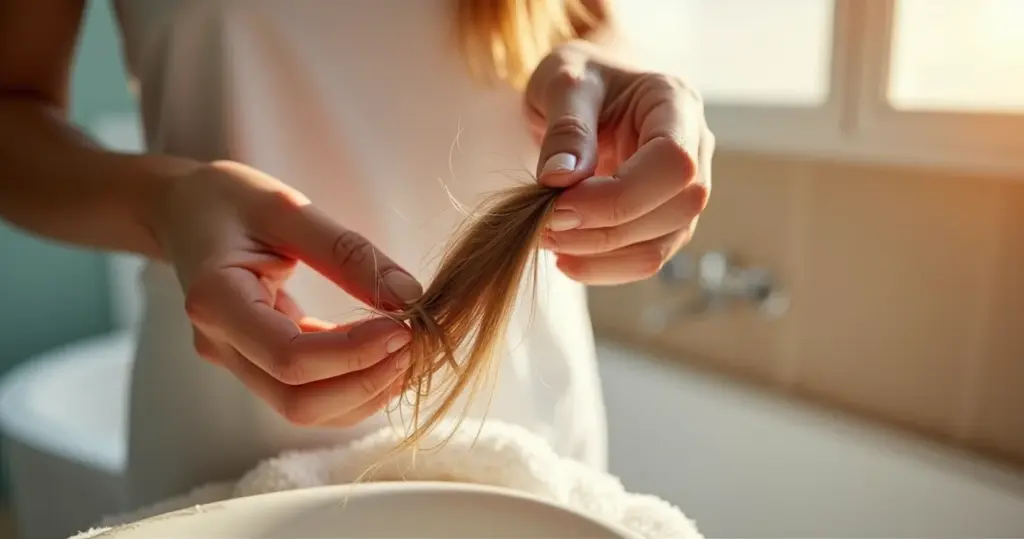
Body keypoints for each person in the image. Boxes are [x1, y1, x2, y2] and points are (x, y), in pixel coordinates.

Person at [0, 0, 713, 510]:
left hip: (524, 439)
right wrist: (166, 205)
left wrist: (622, 79)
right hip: (222, 444)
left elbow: (590, 20)